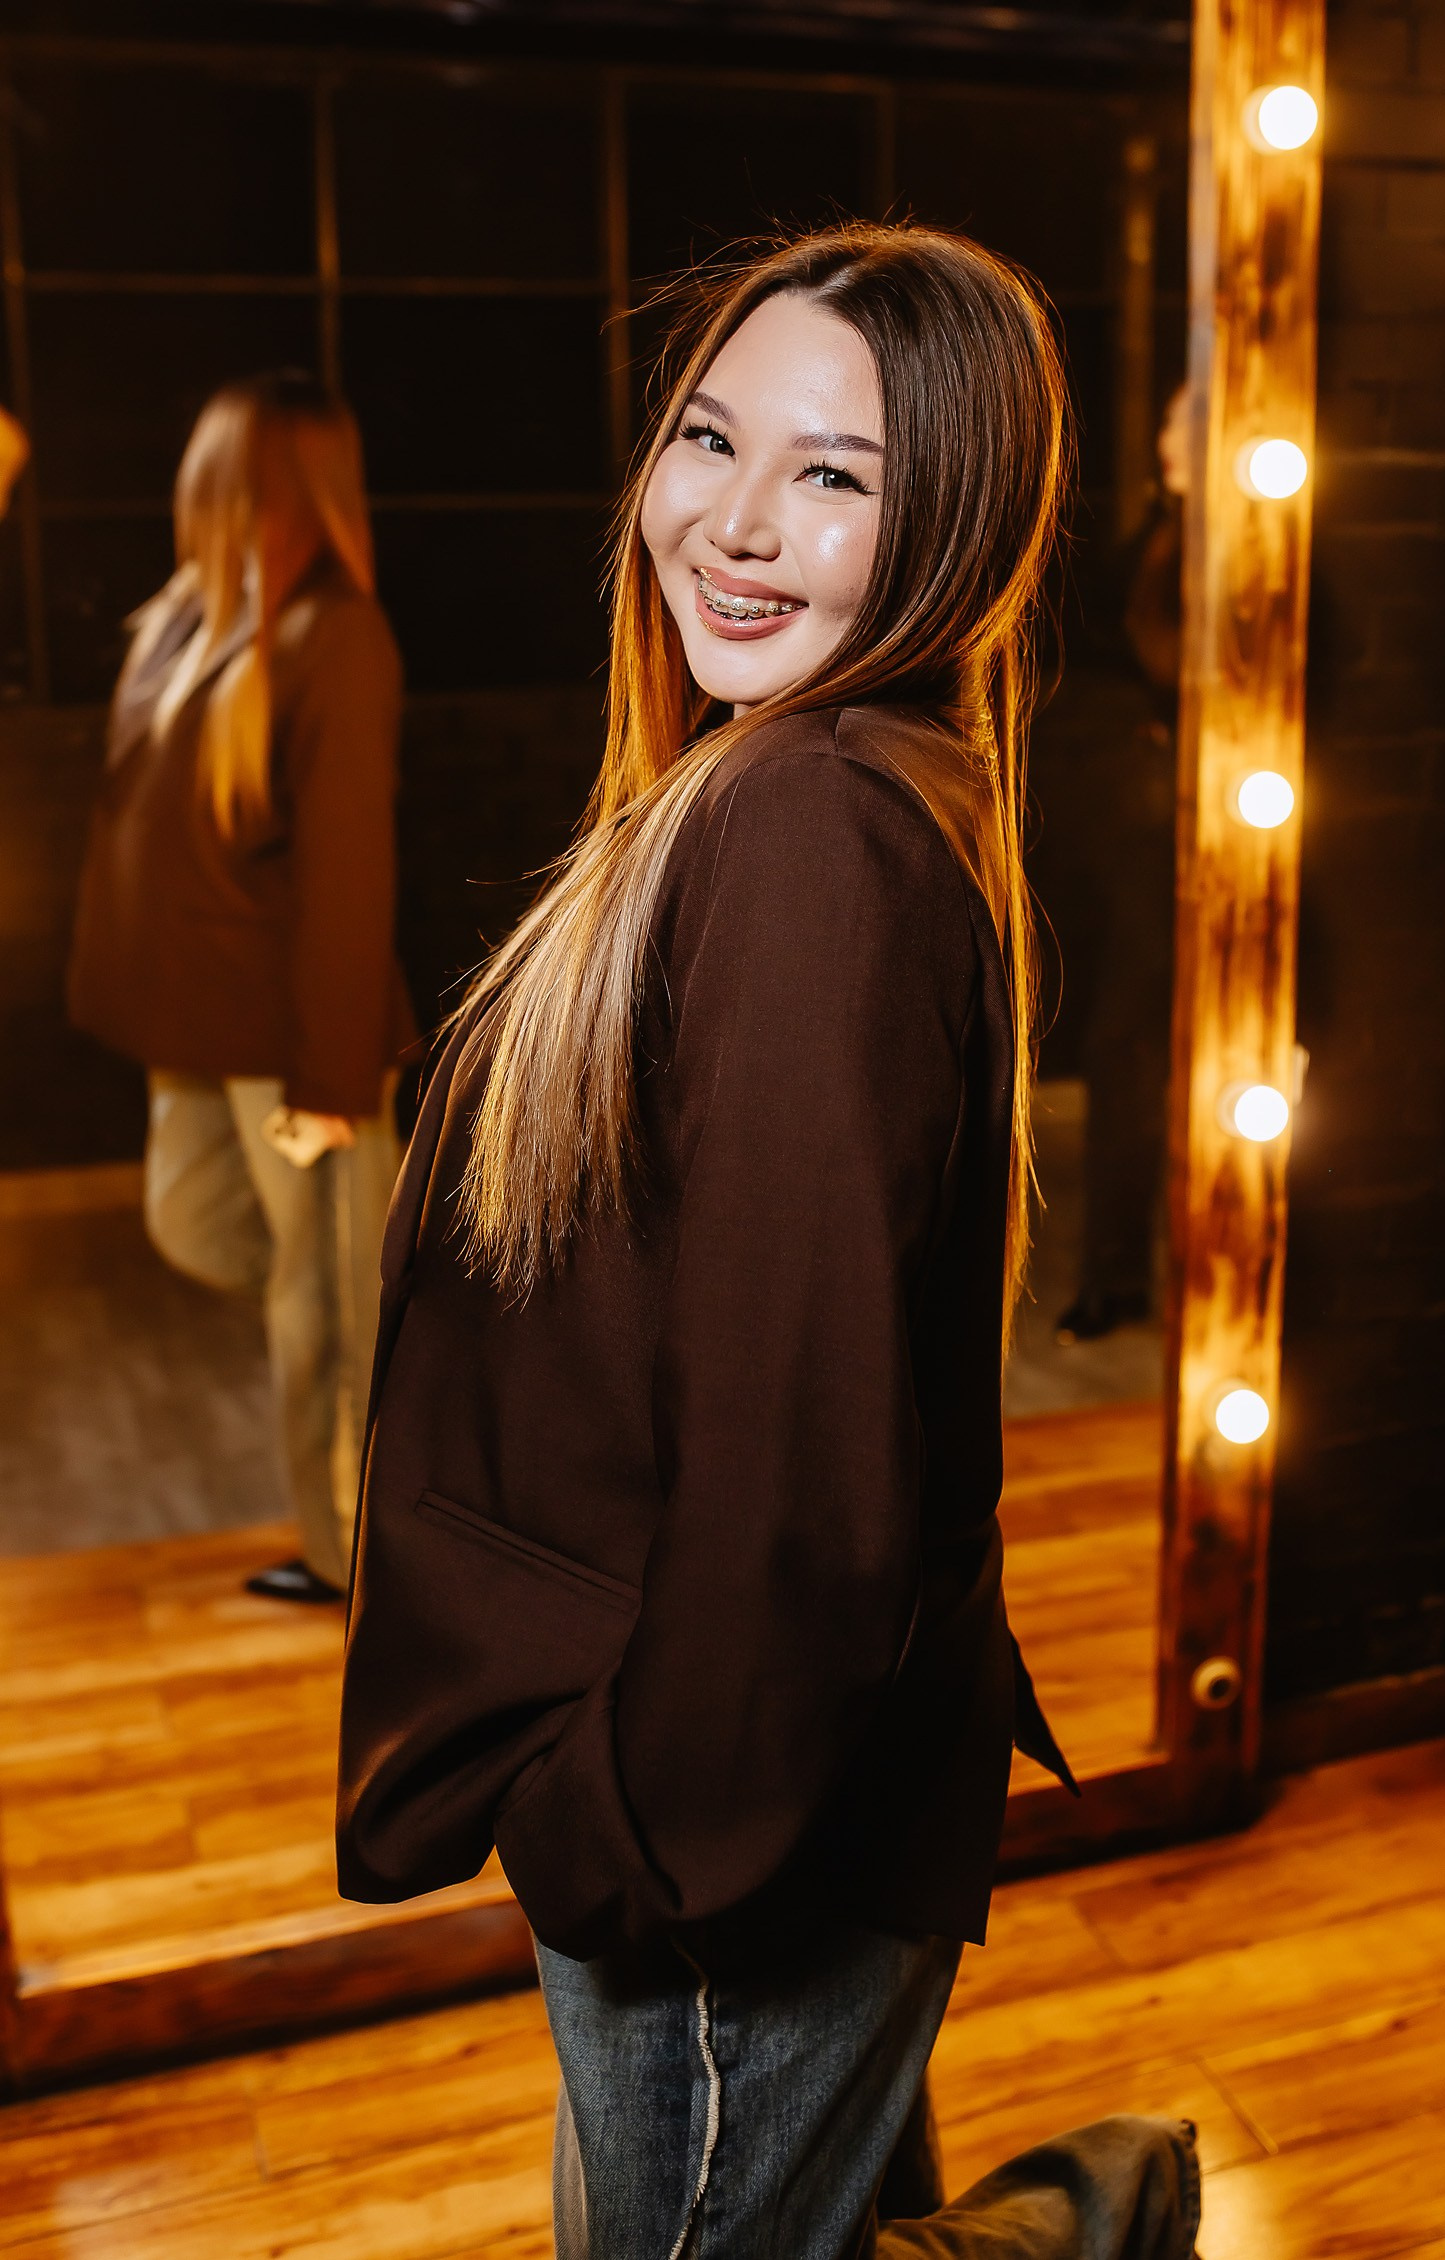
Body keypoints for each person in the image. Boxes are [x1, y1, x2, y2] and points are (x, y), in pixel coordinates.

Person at [337, 228, 1199, 2258]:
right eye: (710, 438)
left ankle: (1086, 2217)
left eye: (833, 476)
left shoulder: (810, 827)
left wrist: (641, 1840)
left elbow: (802, 1460)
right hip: (728, 1784)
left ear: (950, 528)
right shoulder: (764, 781)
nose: (731, 521)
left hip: (719, 1826)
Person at [68, 372, 415, 1603]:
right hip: (204, 1022)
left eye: (213, 466)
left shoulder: (335, 637)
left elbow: (348, 876)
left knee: (333, 1313)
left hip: (298, 1041)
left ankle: (357, 1564)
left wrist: (331, 1080)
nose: (190, 484)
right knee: (211, 1230)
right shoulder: (187, 619)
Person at [1055, 381, 1187, 1347]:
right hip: (1142, 813)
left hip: (1201, 814)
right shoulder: (1164, 530)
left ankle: (1128, 1272)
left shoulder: (1228, 541)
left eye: (1186, 417)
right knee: (1124, 1043)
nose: (1167, 430)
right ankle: (1119, 1273)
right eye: (1169, 413)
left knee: (1136, 1040)